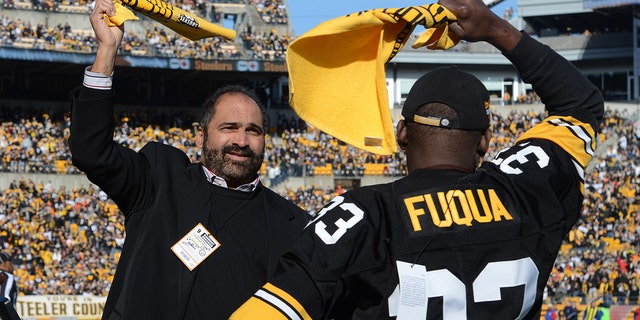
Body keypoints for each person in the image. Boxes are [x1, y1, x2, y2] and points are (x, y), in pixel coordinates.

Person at [230, 0, 604, 317]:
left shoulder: (365, 215)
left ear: (403, 133)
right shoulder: (524, 190)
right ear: (485, 142)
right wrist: (494, 28)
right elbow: (581, 104)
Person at [67, 0, 310, 319]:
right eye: (229, 128)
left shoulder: (294, 224)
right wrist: (107, 51)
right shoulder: (158, 179)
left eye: (253, 130)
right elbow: (90, 150)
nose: (241, 140)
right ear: (200, 136)